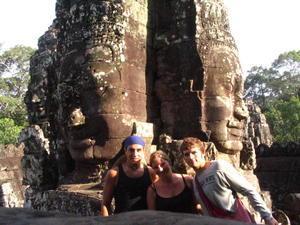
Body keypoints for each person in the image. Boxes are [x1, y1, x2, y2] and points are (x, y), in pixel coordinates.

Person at [180, 137, 279, 225]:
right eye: (186, 154)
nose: (191, 157)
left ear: (203, 152)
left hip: (238, 220)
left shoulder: (218, 167)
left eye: (194, 152)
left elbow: (249, 190)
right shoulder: (195, 182)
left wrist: (267, 217)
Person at [100, 135, 156, 216]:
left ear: (143, 151)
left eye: (139, 150)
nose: (135, 154)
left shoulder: (150, 172)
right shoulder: (114, 174)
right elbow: (105, 204)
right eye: (131, 150)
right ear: (125, 150)